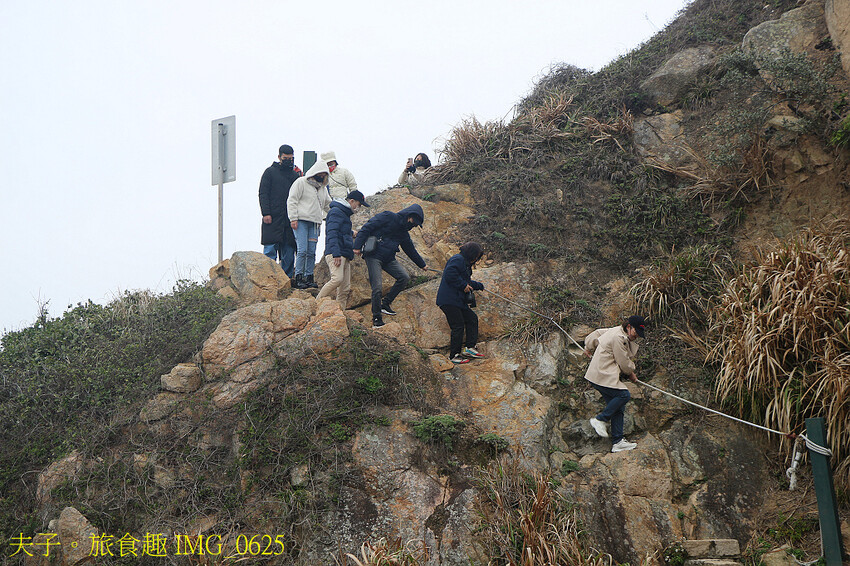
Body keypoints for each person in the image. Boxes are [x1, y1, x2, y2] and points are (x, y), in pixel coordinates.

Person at [353, 204, 428, 328]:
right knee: (377, 287)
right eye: (414, 222)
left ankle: (385, 304)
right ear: (409, 216)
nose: (414, 225)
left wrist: (422, 265)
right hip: (373, 256)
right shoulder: (388, 216)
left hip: (388, 259)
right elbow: (367, 227)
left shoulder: (404, 233)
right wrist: (357, 246)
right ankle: (376, 318)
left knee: (404, 277)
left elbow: (410, 250)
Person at [583, 315, 647, 453]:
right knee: (624, 395)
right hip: (602, 374)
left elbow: (597, 334)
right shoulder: (618, 337)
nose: (636, 336)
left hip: (600, 374)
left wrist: (588, 346)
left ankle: (617, 442)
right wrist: (631, 373)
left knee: (618, 407)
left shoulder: (616, 330)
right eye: (636, 332)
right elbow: (623, 362)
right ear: (629, 327)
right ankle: (600, 420)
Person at [316, 190, 369, 309]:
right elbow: (332, 233)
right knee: (337, 279)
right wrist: (336, 254)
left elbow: (341, 231)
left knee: (345, 288)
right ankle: (316, 303)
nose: (359, 208)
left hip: (345, 253)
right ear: (352, 201)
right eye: (359, 205)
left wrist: (351, 233)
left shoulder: (343, 214)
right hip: (337, 253)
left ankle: (341, 312)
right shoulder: (336, 211)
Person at [436, 242, 486, 364]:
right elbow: (449, 274)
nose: (476, 259)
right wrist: (463, 285)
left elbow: (466, 281)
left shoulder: (465, 263)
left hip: (457, 301)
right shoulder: (458, 259)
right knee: (458, 325)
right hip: (449, 300)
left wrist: (479, 286)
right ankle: (454, 355)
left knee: (472, 318)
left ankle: (469, 348)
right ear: (471, 253)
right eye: (476, 256)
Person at [287, 160, 332, 289]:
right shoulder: (301, 182)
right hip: (301, 220)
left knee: (311, 251)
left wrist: (337, 212)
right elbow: (292, 200)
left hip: (315, 222)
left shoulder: (322, 188)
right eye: (320, 173)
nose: (322, 176)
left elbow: (328, 204)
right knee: (302, 250)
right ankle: (299, 276)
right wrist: (293, 218)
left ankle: (309, 276)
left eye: (324, 174)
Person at [258, 144, 302, 277]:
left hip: (289, 220)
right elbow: (263, 193)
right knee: (270, 250)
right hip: (272, 218)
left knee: (288, 253)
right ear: (279, 157)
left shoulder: (295, 176)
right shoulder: (270, 172)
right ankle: (267, 278)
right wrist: (266, 213)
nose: (288, 161)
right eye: (285, 158)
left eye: (291, 159)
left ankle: (286, 279)